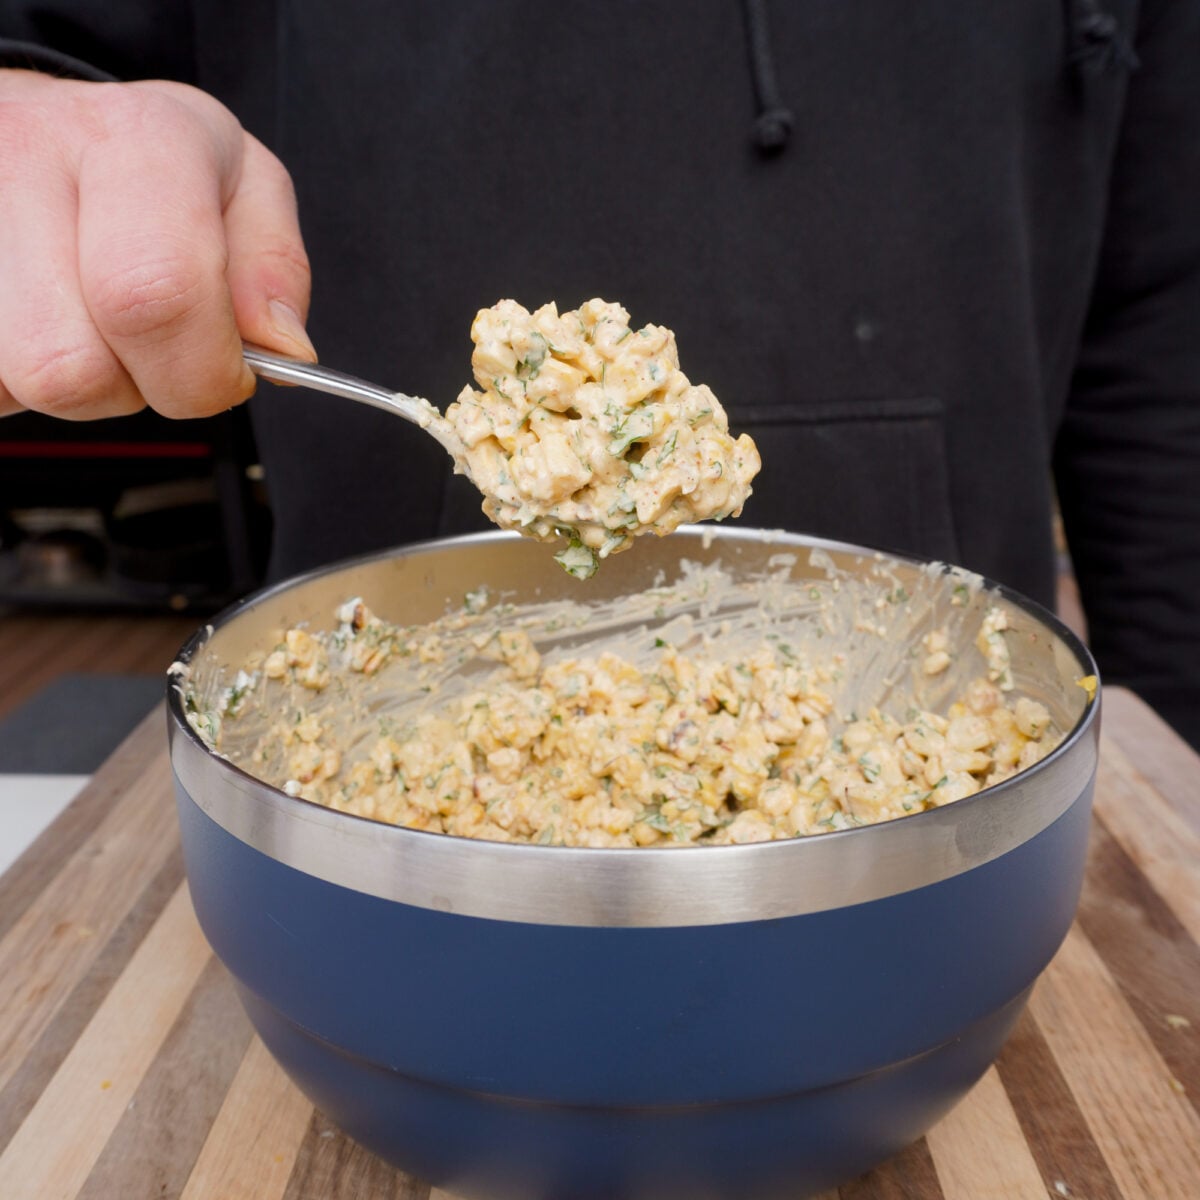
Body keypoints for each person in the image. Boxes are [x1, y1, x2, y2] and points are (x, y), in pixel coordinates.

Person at [1, 1, 1197, 748]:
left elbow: (1166, 301)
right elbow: (54, 42)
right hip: (366, 744)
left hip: (951, 738)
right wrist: (26, 98)